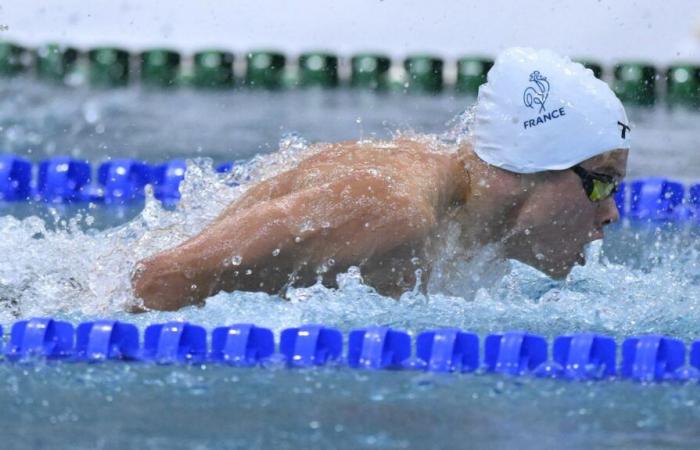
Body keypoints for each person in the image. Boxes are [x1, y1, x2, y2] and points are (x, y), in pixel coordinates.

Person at [131, 47, 630, 311]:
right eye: (603, 181)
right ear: (534, 165)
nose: (610, 212)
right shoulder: (389, 208)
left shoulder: (466, 218)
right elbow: (160, 279)